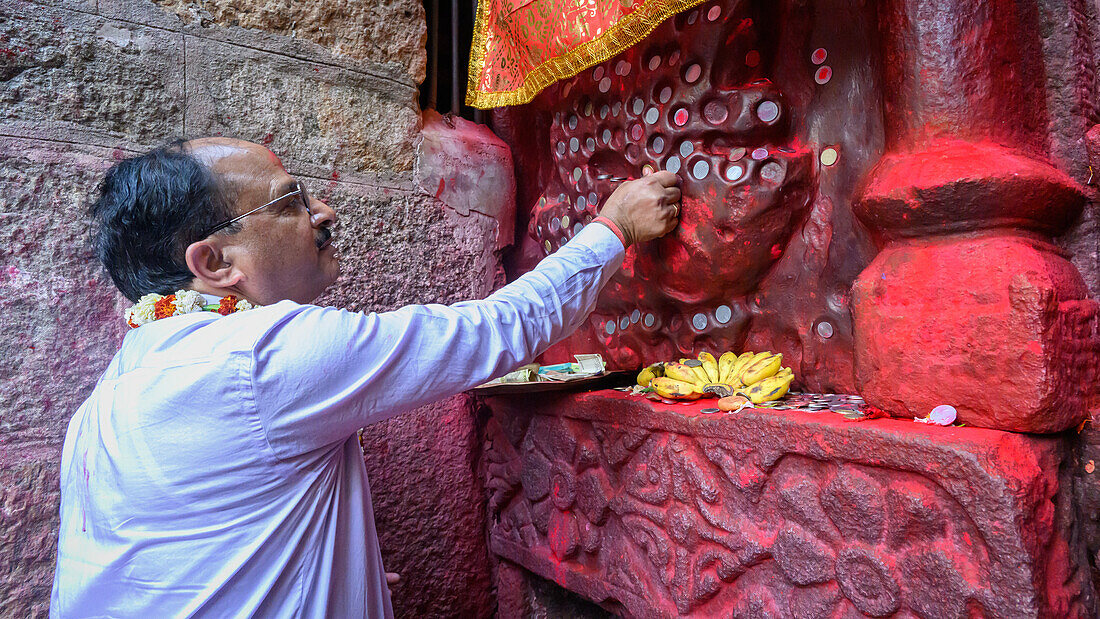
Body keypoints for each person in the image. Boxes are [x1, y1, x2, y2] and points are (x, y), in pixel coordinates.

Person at [50, 137, 681, 617]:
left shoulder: (112, 392)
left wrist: (340, 570)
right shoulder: (260, 356)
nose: (324, 212)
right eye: (292, 201)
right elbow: (495, 329)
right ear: (214, 262)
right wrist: (615, 228)